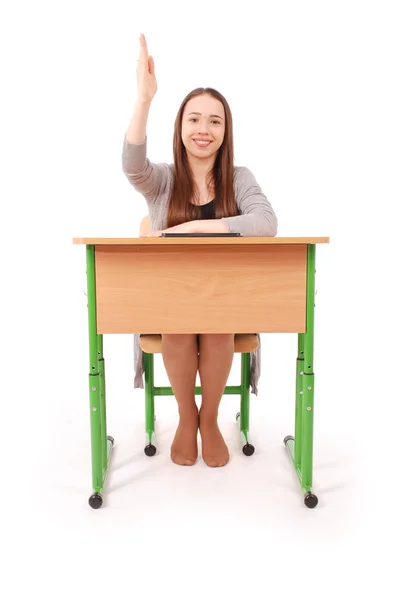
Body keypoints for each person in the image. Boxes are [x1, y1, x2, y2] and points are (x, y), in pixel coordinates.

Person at [122, 33, 278, 468]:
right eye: (194, 120)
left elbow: (266, 223)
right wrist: (144, 99)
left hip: (224, 302)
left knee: (216, 325)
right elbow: (132, 166)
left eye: (214, 121)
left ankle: (208, 419)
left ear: (225, 131)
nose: (203, 130)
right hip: (170, 301)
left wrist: (191, 226)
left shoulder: (240, 178)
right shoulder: (164, 180)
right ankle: (185, 414)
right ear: (181, 128)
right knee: (176, 326)